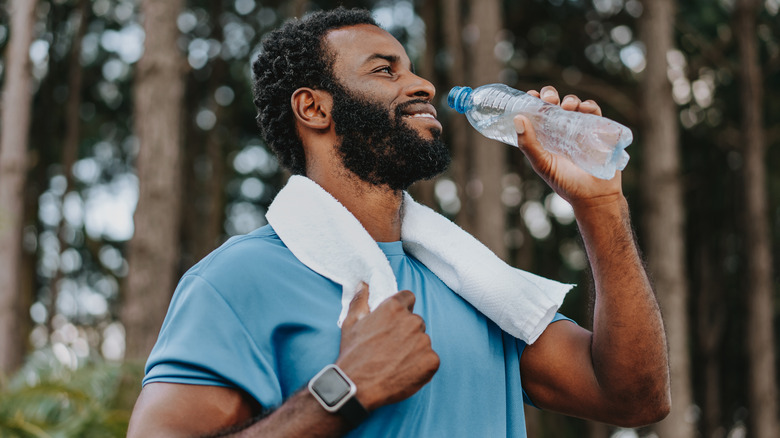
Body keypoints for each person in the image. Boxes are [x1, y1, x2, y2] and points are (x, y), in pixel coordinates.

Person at [127, 7, 670, 437]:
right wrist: (342, 393)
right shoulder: (235, 281)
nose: (423, 85)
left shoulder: (473, 282)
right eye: (385, 70)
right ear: (314, 108)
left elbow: (634, 398)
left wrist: (601, 208)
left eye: (411, 67)